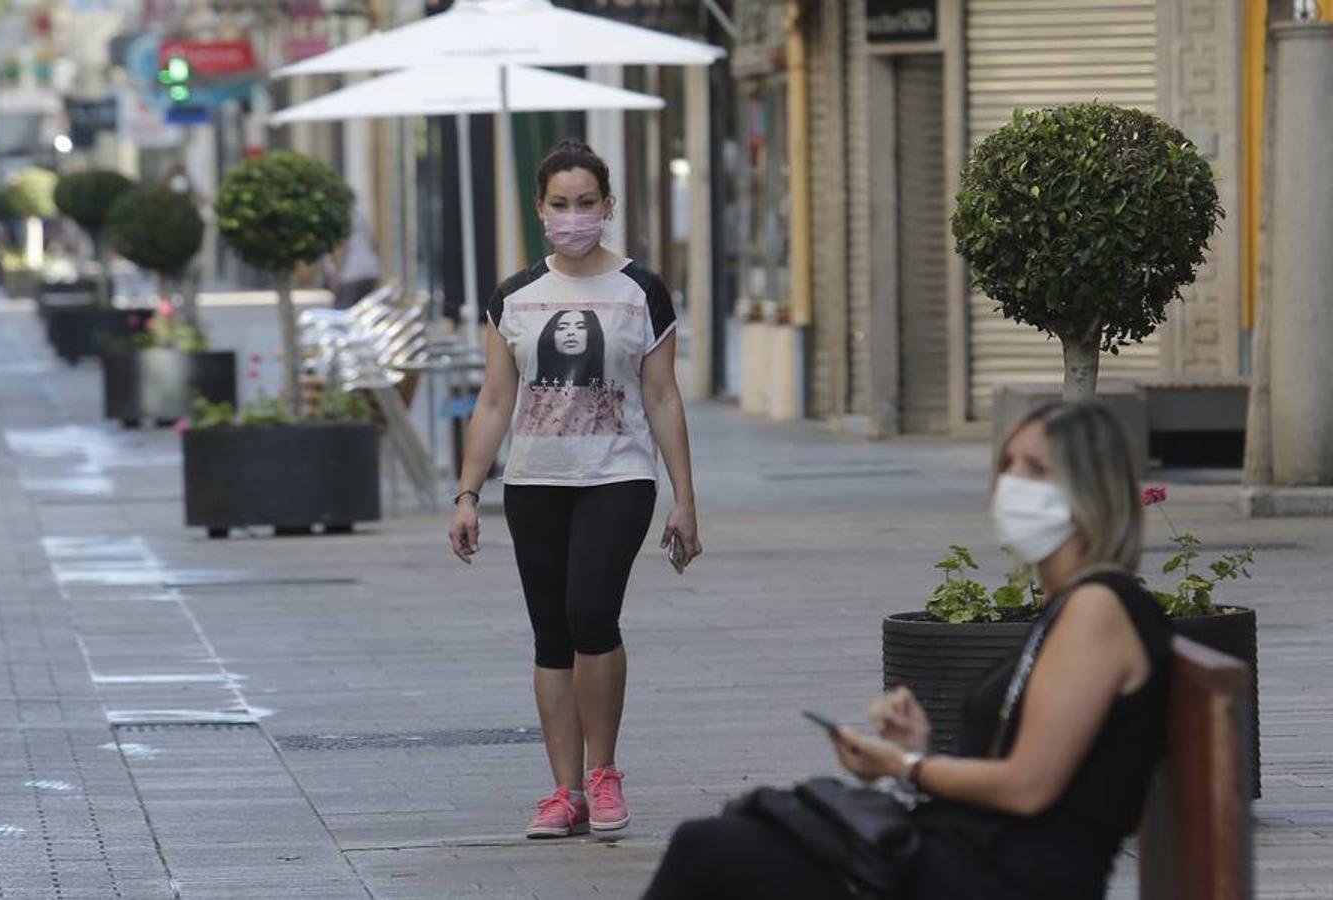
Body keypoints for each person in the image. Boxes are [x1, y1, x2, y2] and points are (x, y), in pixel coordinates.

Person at [642, 401, 1172, 900]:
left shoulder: (1099, 607)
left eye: (1034, 469)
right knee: (733, 842)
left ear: (1090, 491)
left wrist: (905, 763)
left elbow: (1028, 787)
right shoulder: (1074, 605)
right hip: (977, 858)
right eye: (1006, 465)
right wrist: (921, 749)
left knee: (706, 851)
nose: (1011, 484)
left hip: (1006, 878)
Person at [448, 138, 702, 840]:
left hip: (618, 476)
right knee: (552, 636)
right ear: (540, 210)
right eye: (560, 204)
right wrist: (468, 493)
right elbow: (495, 402)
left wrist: (684, 497)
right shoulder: (515, 297)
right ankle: (563, 793)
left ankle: (604, 771)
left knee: (593, 613)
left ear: (608, 205)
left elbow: (663, 397)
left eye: (586, 203)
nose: (573, 216)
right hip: (534, 482)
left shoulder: (641, 291)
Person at [333, 206, 381, 309]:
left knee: (345, 309)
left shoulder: (342, 219)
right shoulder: (361, 217)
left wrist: (336, 275)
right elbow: (373, 244)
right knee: (367, 309)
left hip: (351, 273)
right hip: (371, 269)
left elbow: (342, 250)